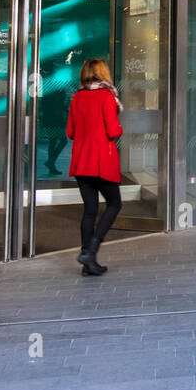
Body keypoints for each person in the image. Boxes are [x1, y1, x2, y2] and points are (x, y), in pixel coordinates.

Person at [66, 58, 123, 276]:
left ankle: (87, 260)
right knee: (114, 204)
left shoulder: (78, 97)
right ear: (103, 73)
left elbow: (70, 132)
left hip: (81, 162)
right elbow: (112, 131)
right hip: (101, 161)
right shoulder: (107, 96)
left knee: (89, 210)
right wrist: (119, 128)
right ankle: (91, 251)